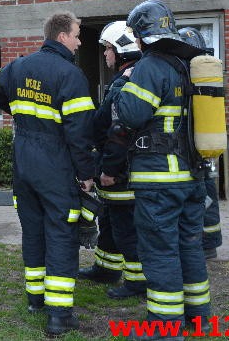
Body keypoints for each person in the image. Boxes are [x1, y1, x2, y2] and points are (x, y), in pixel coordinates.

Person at [0, 11, 97, 337]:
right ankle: (59, 315)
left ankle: (36, 299)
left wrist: (24, 114)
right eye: (77, 35)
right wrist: (87, 173)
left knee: (33, 231)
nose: (80, 42)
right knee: (62, 234)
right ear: (62, 35)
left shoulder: (17, 66)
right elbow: (80, 134)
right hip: (56, 166)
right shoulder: (71, 75)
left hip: (24, 163)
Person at [116, 0, 210, 341]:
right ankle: (199, 319)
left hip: (159, 181)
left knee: (160, 252)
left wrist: (122, 86)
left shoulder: (151, 65)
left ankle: (164, 328)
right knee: (189, 247)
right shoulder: (188, 64)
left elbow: (130, 114)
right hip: (193, 178)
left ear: (141, 35)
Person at [79, 21, 147, 300]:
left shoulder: (124, 83)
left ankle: (137, 282)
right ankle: (106, 268)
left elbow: (118, 132)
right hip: (116, 167)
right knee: (108, 220)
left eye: (108, 49)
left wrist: (109, 170)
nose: (105, 54)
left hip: (120, 171)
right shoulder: (128, 78)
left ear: (122, 52)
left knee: (126, 228)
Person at [177, 27, 223, 260]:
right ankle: (210, 242)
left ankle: (202, 244)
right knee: (208, 192)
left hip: (189, 145)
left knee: (199, 194)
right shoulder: (203, 74)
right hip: (204, 142)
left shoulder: (184, 72)